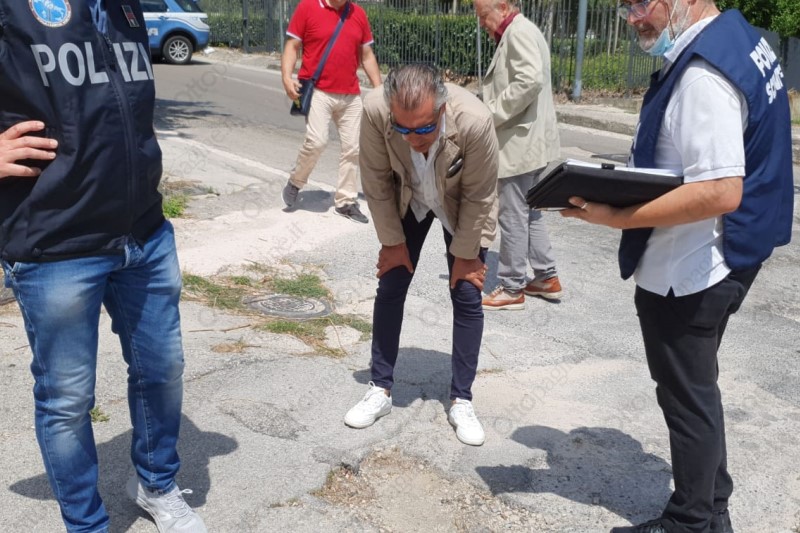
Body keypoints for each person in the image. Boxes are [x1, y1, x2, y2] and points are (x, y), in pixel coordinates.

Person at [562, 1, 793, 532]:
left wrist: (617, 216)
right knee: (697, 389)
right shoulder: (740, 38)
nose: (631, 17)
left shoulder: (703, 75)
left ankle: (689, 522)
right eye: (623, 6)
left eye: (641, 3)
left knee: (686, 398)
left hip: (690, 268)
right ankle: (713, 509)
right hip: (734, 252)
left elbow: (720, 190)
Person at [0, 2, 206, 532]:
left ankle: (157, 484)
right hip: (56, 243)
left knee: (162, 371)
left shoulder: (123, 8)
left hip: (144, 233)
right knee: (68, 401)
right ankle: (87, 525)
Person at [344, 64, 499, 446]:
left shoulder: (475, 121)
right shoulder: (376, 110)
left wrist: (467, 256)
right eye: (404, 129)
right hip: (408, 197)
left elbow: (480, 195)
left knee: (467, 291)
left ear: (442, 109)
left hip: (459, 203)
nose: (414, 138)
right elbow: (376, 181)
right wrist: (391, 243)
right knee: (391, 282)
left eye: (425, 128)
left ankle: (462, 399)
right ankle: (380, 389)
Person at [474, 0, 563, 311]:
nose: (481, 23)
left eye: (483, 15)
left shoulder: (518, 32)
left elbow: (529, 81)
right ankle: (546, 277)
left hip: (520, 143)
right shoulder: (520, 30)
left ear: (502, 6)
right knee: (530, 210)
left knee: (513, 215)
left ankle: (512, 287)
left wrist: (490, 113)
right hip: (529, 142)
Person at [280, 0, 382, 224]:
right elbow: (292, 46)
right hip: (318, 91)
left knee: (353, 148)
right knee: (317, 141)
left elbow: (367, 55)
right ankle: (296, 181)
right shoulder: (308, 7)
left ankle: (346, 201)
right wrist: (286, 77)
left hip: (350, 94)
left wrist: (379, 90)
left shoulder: (358, 14)